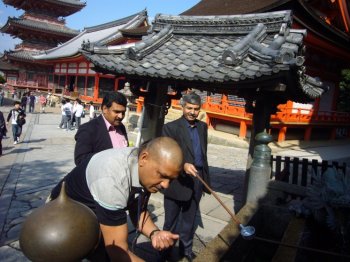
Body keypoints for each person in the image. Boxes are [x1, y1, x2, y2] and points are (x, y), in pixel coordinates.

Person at [49, 137, 183, 261]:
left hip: (93, 211)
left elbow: (138, 210)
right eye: (162, 175)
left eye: (171, 179)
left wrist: (154, 233)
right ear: (144, 158)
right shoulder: (113, 180)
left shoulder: (143, 168)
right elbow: (118, 252)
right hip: (61, 218)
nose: (166, 185)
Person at [161, 92, 210, 262]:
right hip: (176, 181)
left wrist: (203, 179)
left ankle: (186, 251)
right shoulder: (171, 128)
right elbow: (165, 156)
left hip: (197, 179)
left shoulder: (203, 127)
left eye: (196, 109)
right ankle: (164, 252)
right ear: (182, 107)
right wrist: (182, 166)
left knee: (189, 220)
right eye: (189, 108)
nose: (192, 112)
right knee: (170, 222)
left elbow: (203, 154)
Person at [74, 91, 128, 165]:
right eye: (117, 112)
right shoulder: (88, 129)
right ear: (105, 109)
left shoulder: (121, 127)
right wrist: (112, 157)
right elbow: (81, 160)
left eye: (123, 112)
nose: (121, 116)